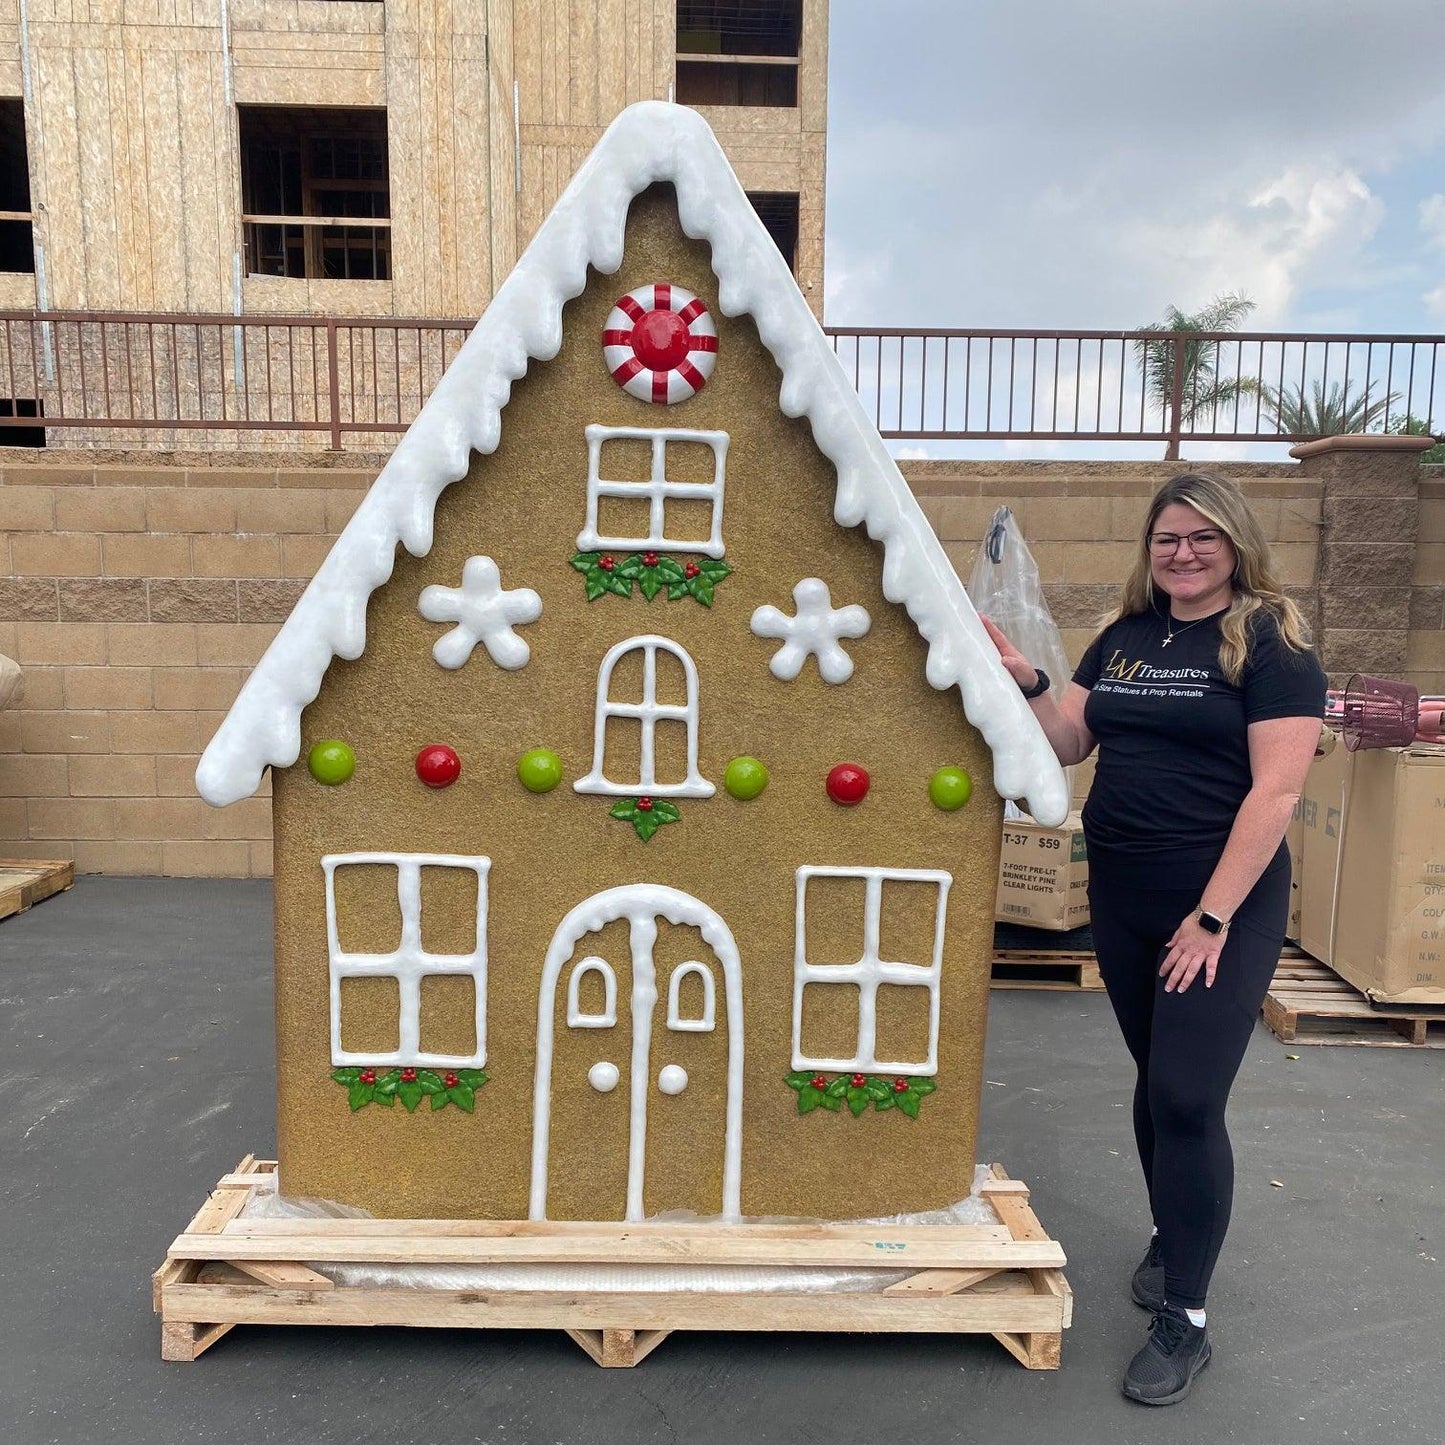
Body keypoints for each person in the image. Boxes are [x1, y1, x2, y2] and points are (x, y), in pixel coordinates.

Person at [982, 472, 1326, 1406]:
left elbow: (1275, 793)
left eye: (1201, 536)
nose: (1183, 552)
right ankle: (1174, 1232)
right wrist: (1030, 680)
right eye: (1167, 537)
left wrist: (1211, 916)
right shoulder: (1126, 636)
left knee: (1185, 1093)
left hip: (1217, 903)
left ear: (1235, 543)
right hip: (1124, 893)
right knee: (1155, 1076)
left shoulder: (1271, 641)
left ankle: (1186, 1316)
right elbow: (1069, 741)